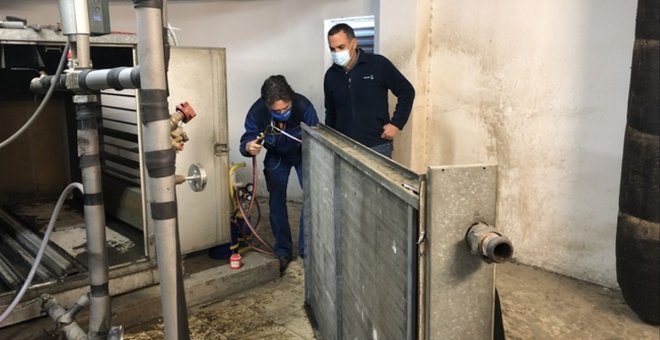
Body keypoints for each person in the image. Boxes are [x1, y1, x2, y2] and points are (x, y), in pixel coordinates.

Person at [239, 75, 319, 274]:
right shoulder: (257, 112)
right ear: (267, 106)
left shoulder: (303, 106)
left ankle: (305, 251)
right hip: (276, 158)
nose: (282, 113)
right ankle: (283, 250)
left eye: (286, 108)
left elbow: (317, 136)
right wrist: (249, 147)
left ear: (291, 99)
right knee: (276, 202)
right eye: (277, 111)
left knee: (311, 199)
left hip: (303, 155)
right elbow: (247, 139)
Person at [324, 23, 415, 158]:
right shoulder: (331, 76)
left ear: (354, 43)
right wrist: (331, 141)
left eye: (341, 47)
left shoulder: (378, 65)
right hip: (345, 148)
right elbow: (331, 112)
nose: (337, 53)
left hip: (377, 146)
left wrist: (396, 124)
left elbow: (407, 91)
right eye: (333, 49)